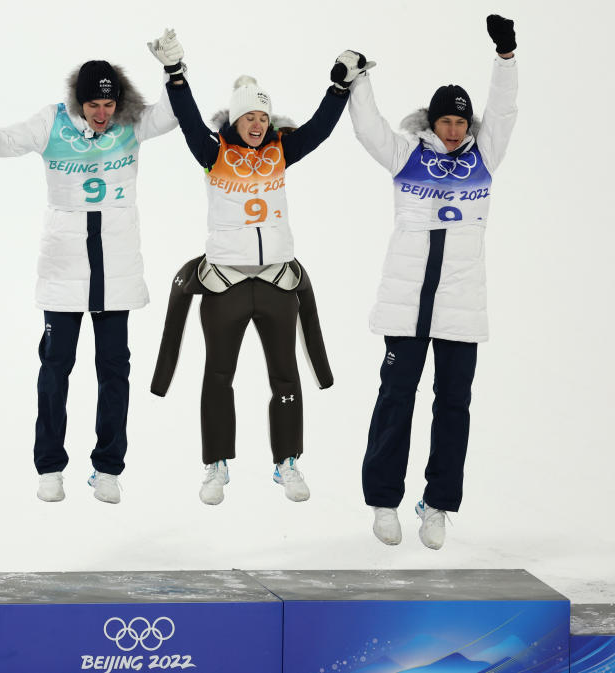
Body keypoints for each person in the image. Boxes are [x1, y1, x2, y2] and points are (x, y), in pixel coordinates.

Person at [0, 33, 179, 504]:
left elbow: (174, 113)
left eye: (108, 103)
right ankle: (49, 467)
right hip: (64, 269)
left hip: (116, 271)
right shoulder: (53, 122)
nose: (101, 113)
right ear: (77, 101)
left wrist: (175, 70)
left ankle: (107, 468)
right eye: (93, 104)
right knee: (55, 368)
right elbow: (3, 142)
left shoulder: (131, 124)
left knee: (114, 371)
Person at [149, 31, 359, 504]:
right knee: (218, 374)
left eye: (264, 116)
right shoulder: (214, 153)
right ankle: (215, 465)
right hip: (224, 283)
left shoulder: (281, 150)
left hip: (276, 282)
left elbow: (320, 129)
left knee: (285, 376)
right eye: (250, 117)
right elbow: (186, 122)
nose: (258, 124)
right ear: (236, 119)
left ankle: (287, 461)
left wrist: (339, 90)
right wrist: (176, 76)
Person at [346, 16, 518, 549]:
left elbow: (505, 112)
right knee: (396, 399)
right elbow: (368, 127)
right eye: (445, 121)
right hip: (406, 306)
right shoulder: (406, 156)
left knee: (453, 406)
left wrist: (506, 56)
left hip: (460, 308)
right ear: (431, 121)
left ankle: (438, 504)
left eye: (461, 123)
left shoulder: (484, 160)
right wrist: (358, 79)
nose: (453, 130)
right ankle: (383, 499)